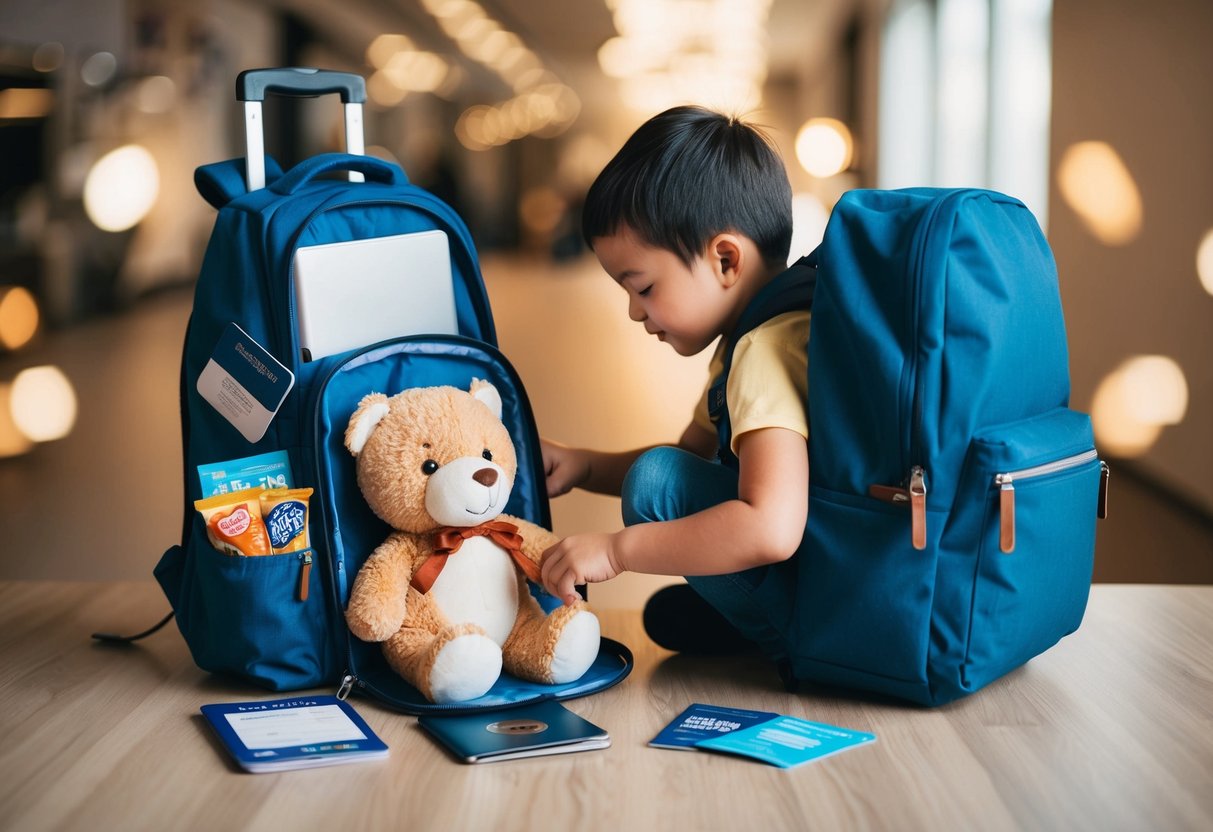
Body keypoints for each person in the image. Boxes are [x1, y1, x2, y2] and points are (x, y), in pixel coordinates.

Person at [538, 105, 812, 666]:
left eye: (642, 287)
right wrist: (584, 464)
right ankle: (749, 624)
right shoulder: (759, 334)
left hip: (818, 607)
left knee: (655, 482)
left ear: (726, 259)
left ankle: (781, 635)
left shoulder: (764, 351)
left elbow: (772, 526)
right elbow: (692, 453)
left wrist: (617, 552)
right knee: (668, 478)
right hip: (815, 570)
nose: (634, 312)